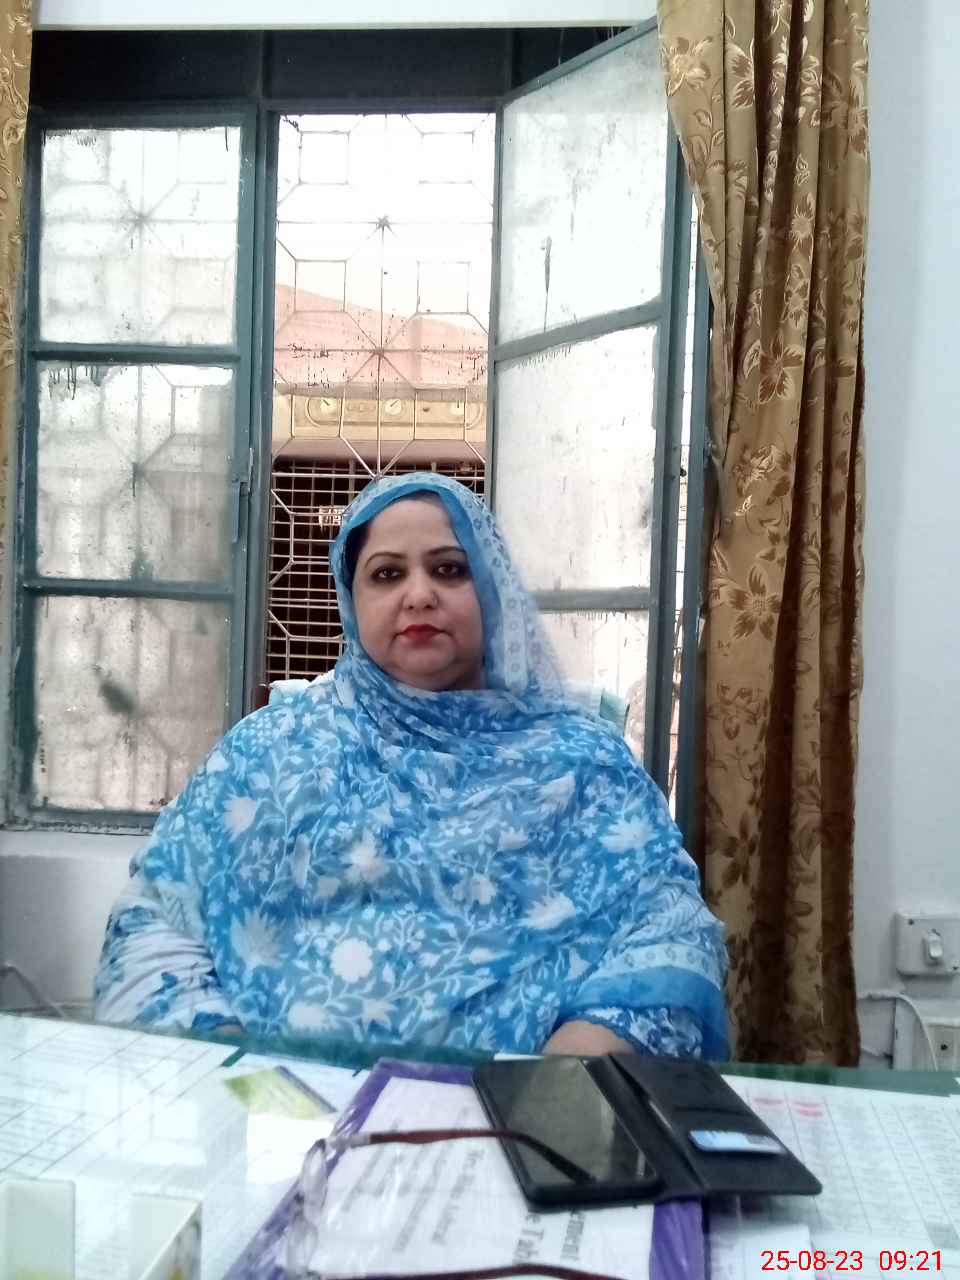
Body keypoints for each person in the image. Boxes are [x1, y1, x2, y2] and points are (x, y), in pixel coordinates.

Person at [94, 472, 728, 1058]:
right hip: (277, 1114)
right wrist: (230, 1072)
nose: (419, 594)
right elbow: (155, 920)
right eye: (387, 574)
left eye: (450, 569)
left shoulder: (583, 766)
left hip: (522, 1119)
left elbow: (667, 936)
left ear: (492, 587)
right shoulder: (270, 755)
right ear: (351, 598)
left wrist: (553, 1089)